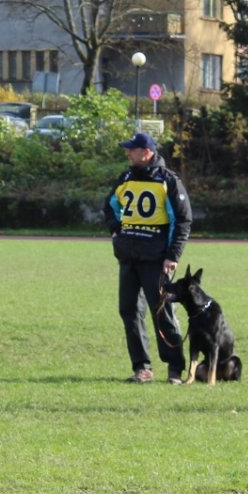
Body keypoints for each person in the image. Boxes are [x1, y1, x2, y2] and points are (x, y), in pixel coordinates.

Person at [104, 132, 191, 384]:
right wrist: (116, 231)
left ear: (147, 152)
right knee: (129, 311)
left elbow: (183, 220)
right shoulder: (126, 178)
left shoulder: (167, 181)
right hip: (128, 257)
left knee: (162, 312)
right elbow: (110, 205)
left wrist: (172, 255)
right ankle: (142, 367)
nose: (127, 153)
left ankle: (175, 368)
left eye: (132, 150)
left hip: (156, 259)